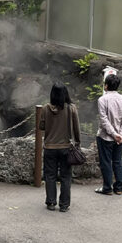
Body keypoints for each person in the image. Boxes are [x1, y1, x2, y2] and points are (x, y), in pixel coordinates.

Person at [38, 82, 81, 213]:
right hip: (65, 148)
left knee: (50, 176)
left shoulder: (45, 108)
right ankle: (64, 204)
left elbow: (41, 127)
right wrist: (78, 143)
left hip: (50, 147)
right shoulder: (71, 108)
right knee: (65, 177)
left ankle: (51, 202)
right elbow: (76, 128)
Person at [96, 73, 122, 195]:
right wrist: (120, 134)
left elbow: (103, 120)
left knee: (106, 162)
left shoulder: (102, 100)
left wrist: (114, 134)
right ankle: (119, 187)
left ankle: (107, 188)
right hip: (119, 138)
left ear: (106, 86)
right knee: (117, 161)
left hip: (105, 136)